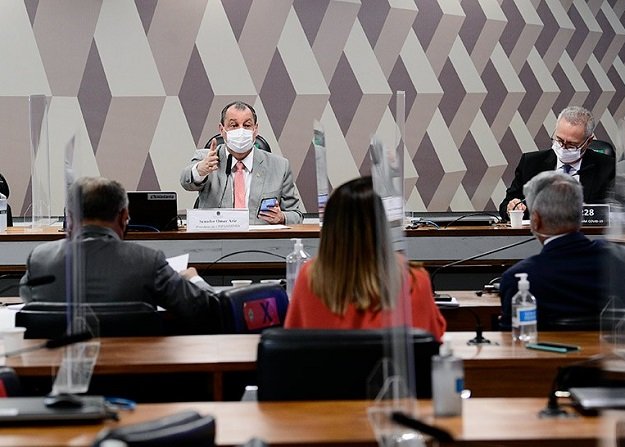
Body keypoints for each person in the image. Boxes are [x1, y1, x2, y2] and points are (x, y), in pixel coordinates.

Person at [19, 176, 218, 330]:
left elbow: (29, 301)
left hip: (58, 369)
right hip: (133, 370)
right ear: (124, 216)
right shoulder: (148, 261)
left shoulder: (39, 259)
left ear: (69, 219)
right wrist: (194, 279)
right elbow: (208, 309)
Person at [285, 176, 446, 340]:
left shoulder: (309, 278)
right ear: (383, 225)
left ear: (330, 227)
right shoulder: (414, 280)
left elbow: (292, 342)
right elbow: (432, 341)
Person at [498, 170, 610, 330]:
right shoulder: (617, 260)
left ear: (535, 220)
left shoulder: (519, 280)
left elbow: (512, 337)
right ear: (580, 215)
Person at [180, 101, 303, 225]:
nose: (241, 131)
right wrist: (200, 170)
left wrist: (282, 217)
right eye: (233, 125)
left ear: (255, 129)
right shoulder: (206, 158)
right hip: (218, 235)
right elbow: (185, 181)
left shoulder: (280, 166)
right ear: (222, 129)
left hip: (260, 236)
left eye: (247, 125)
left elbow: (296, 216)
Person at [499, 106, 614, 220]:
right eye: (559, 140)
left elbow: (613, 212)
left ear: (588, 142)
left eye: (571, 145)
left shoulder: (608, 168)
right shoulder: (531, 163)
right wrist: (511, 208)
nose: (563, 147)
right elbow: (505, 206)